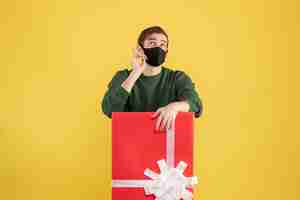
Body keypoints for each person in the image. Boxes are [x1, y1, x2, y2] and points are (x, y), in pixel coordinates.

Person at [101, 26, 203, 131]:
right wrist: (135, 73)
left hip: (167, 142)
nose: (158, 48)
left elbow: (196, 104)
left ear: (167, 50)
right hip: (131, 142)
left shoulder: (177, 78)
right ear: (140, 49)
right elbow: (109, 109)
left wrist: (175, 107)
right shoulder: (123, 77)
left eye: (163, 44)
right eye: (152, 43)